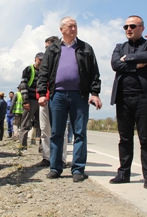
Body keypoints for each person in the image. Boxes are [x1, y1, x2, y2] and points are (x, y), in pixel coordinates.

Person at [37, 16, 102, 182]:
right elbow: (43, 72)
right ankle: (55, 168)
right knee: (56, 133)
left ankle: (78, 169)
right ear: (61, 30)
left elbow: (94, 73)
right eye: (70, 26)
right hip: (57, 96)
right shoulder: (52, 49)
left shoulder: (86, 48)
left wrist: (94, 93)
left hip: (79, 96)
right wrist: (43, 93)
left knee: (80, 133)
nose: (73, 29)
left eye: (75, 26)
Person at [110, 15, 147, 189]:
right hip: (123, 98)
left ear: (142, 28)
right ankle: (124, 173)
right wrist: (136, 63)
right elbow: (115, 65)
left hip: (144, 98)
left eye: (132, 26)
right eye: (125, 27)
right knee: (125, 139)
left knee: (146, 138)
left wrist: (128, 60)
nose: (128, 29)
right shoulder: (119, 47)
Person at [38, 36, 69, 167]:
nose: (46, 50)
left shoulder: (62, 60)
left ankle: (61, 158)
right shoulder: (44, 62)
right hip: (44, 99)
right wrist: (41, 95)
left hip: (58, 98)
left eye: (47, 47)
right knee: (45, 129)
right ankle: (47, 157)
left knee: (61, 130)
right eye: (45, 48)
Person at [18, 53, 43, 149]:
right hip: (31, 100)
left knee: (42, 126)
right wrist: (25, 101)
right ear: (35, 59)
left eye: (42, 60)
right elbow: (23, 85)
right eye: (39, 59)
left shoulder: (44, 71)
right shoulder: (28, 70)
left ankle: (43, 147)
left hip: (41, 101)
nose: (40, 62)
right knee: (25, 124)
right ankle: (22, 145)